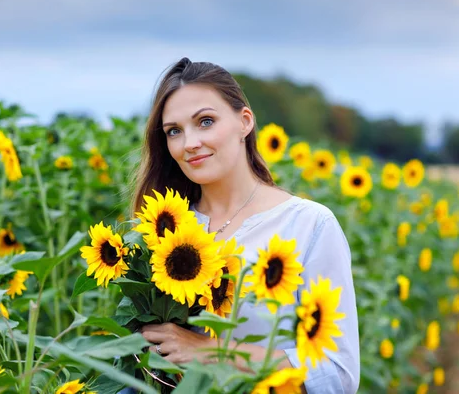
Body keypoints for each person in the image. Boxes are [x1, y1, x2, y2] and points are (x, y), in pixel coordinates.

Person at [129, 57, 360, 393]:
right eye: (174, 131)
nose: (189, 142)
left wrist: (212, 351)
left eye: (205, 121)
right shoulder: (164, 229)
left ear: (245, 122)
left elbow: (337, 372)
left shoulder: (308, 225)